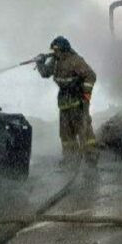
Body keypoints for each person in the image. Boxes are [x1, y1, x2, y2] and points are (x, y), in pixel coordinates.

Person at [35, 36, 98, 164]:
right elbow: (45, 73)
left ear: (64, 50)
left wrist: (86, 94)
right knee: (66, 134)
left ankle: (91, 157)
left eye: (57, 50)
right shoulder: (56, 61)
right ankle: (70, 158)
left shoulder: (75, 60)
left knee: (84, 131)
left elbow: (90, 75)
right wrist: (40, 63)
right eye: (53, 50)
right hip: (64, 103)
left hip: (78, 102)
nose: (55, 53)